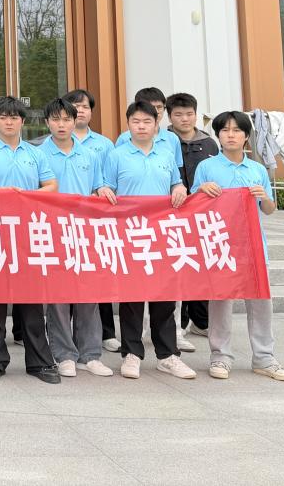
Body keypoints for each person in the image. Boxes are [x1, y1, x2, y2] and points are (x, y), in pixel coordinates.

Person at [0, 96, 60, 385]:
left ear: (23, 121)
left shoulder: (35, 153)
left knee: (31, 302)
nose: (9, 122)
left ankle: (40, 362)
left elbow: (51, 185)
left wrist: (26, 195)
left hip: (28, 234)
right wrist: (2, 194)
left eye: (14, 117)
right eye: (3, 117)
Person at [193, 111, 284, 382]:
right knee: (220, 302)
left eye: (236, 130)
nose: (230, 135)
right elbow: (192, 204)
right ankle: (220, 356)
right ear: (217, 135)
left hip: (253, 246)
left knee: (260, 302)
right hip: (220, 245)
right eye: (225, 130)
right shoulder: (206, 167)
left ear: (246, 136)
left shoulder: (257, 170)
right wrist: (201, 190)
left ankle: (264, 357)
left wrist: (264, 197)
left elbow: (269, 209)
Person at [103, 100, 197, 381]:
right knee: (131, 298)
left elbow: (176, 183)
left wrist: (179, 187)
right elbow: (106, 186)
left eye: (147, 121)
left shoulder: (166, 154)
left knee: (164, 298)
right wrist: (104, 190)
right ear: (128, 124)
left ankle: (167, 356)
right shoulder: (116, 155)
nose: (141, 126)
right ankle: (131, 354)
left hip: (162, 234)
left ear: (157, 125)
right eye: (136, 121)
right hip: (130, 234)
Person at [38, 97, 115, 378]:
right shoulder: (38, 154)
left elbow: (98, 187)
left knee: (88, 296)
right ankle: (64, 354)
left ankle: (90, 354)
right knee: (58, 298)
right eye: (56, 119)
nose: (62, 125)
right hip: (52, 232)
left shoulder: (90, 155)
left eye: (67, 119)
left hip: (84, 233)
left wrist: (103, 190)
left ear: (75, 121)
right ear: (47, 122)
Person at [64, 87, 120, 351]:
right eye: (75, 107)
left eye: (85, 107)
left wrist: (102, 191)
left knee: (96, 277)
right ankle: (64, 337)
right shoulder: (51, 144)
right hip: (62, 223)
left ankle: (105, 333)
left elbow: (106, 180)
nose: (80, 111)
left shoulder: (104, 145)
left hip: (95, 220)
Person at [167, 91, 218, 352]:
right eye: (178, 114)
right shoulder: (163, 141)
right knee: (179, 268)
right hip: (172, 215)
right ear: (169, 116)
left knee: (201, 268)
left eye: (189, 114)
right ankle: (181, 323)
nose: (184, 119)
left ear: (196, 115)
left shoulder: (209, 144)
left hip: (202, 216)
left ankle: (201, 320)